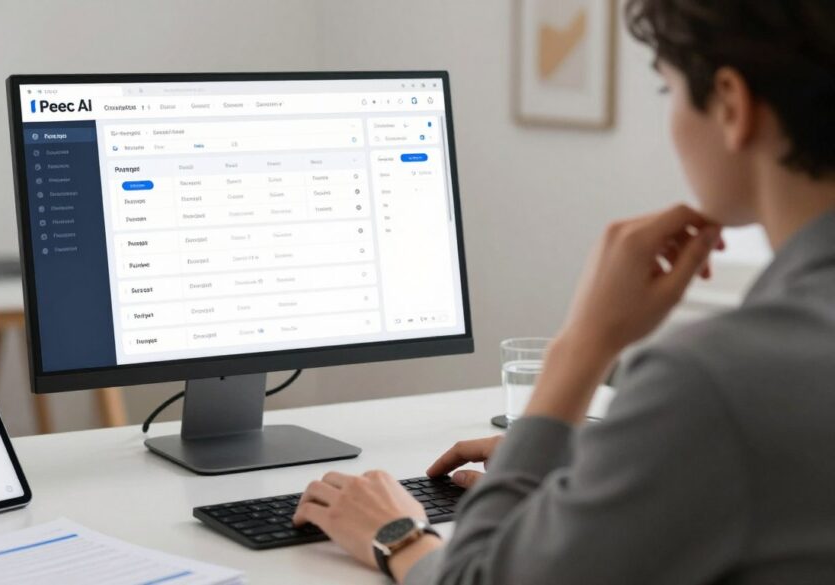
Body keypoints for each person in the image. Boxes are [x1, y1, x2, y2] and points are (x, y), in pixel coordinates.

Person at [292, 1, 835, 583]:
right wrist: (613, 463)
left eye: (665, 90)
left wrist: (396, 534)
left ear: (731, 104)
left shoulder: (711, 383)